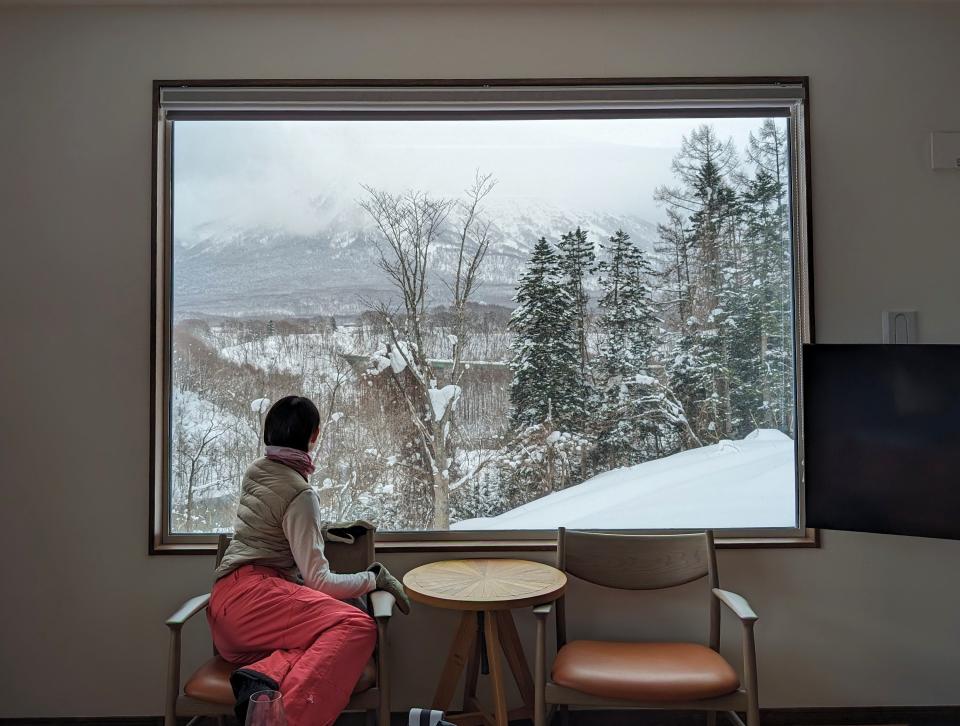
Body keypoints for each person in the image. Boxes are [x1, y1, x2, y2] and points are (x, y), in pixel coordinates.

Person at [208, 395, 410, 726]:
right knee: (356, 624)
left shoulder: (256, 471)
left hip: (227, 612)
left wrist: (320, 528)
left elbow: (269, 524)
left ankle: (259, 679)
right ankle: (286, 720)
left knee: (318, 640)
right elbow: (319, 581)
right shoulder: (300, 494)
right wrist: (374, 578)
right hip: (257, 597)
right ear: (314, 435)